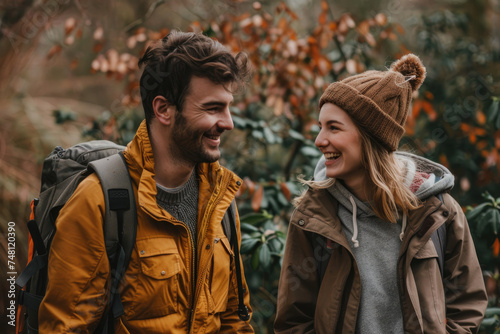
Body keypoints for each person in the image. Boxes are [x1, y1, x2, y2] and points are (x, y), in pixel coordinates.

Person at [39, 31, 254, 333]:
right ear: (163, 109)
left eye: (228, 107)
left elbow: (234, 318)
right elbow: (66, 327)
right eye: (213, 108)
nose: (228, 122)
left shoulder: (221, 200)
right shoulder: (99, 201)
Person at [274, 54, 487, 333]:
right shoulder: (313, 216)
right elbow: (294, 319)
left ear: (370, 137)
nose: (319, 140)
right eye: (320, 127)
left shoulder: (439, 211)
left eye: (333, 127)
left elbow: (467, 302)